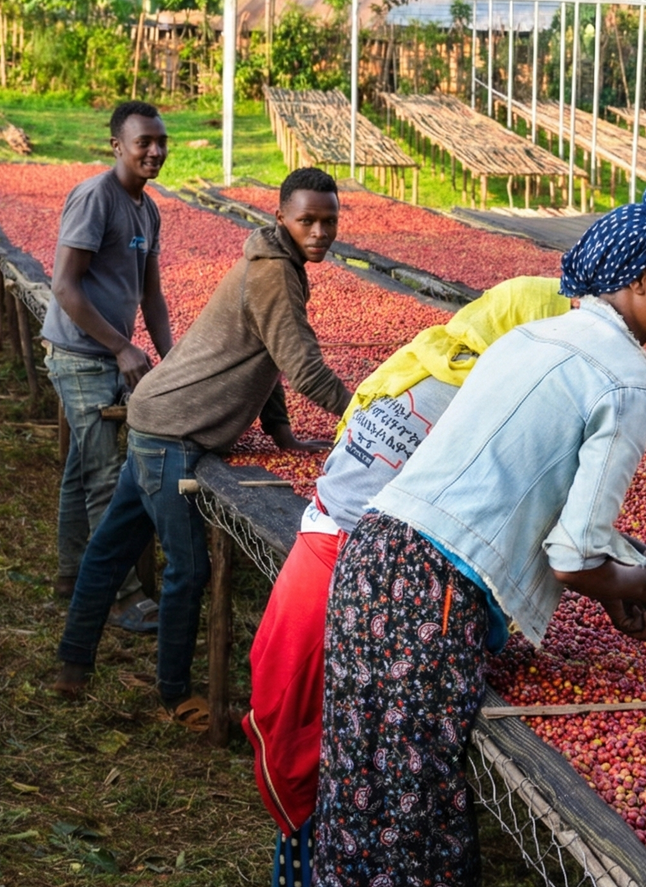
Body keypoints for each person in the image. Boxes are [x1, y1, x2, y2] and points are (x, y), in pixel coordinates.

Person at [313, 179, 646, 887]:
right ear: (640, 278)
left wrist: (614, 588)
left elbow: (521, 497)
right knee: (412, 821)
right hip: (432, 596)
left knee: (356, 787)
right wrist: (630, 583)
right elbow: (576, 553)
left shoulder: (530, 335)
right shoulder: (628, 380)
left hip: (372, 562)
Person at [243, 276, 571, 883]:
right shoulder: (484, 398)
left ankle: (310, 864)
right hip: (365, 581)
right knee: (353, 752)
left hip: (321, 546)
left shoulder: (425, 357)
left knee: (326, 739)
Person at [52, 168, 354, 717]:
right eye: (307, 220)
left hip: (158, 417)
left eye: (329, 221)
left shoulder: (277, 265)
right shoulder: (273, 274)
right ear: (280, 216)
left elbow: (267, 358)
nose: (319, 232)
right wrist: (369, 412)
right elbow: (302, 365)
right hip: (174, 433)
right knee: (188, 570)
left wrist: (281, 431)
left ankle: (72, 665)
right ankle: (174, 695)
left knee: (110, 549)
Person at [42, 100, 173, 630]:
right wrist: (122, 347)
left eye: (161, 142)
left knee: (81, 471)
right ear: (116, 145)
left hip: (103, 354)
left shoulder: (147, 207)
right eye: (143, 142)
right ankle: (117, 596)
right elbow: (65, 287)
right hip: (79, 355)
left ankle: (72, 576)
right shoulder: (97, 198)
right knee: (103, 477)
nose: (155, 151)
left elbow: (152, 295)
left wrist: (173, 362)